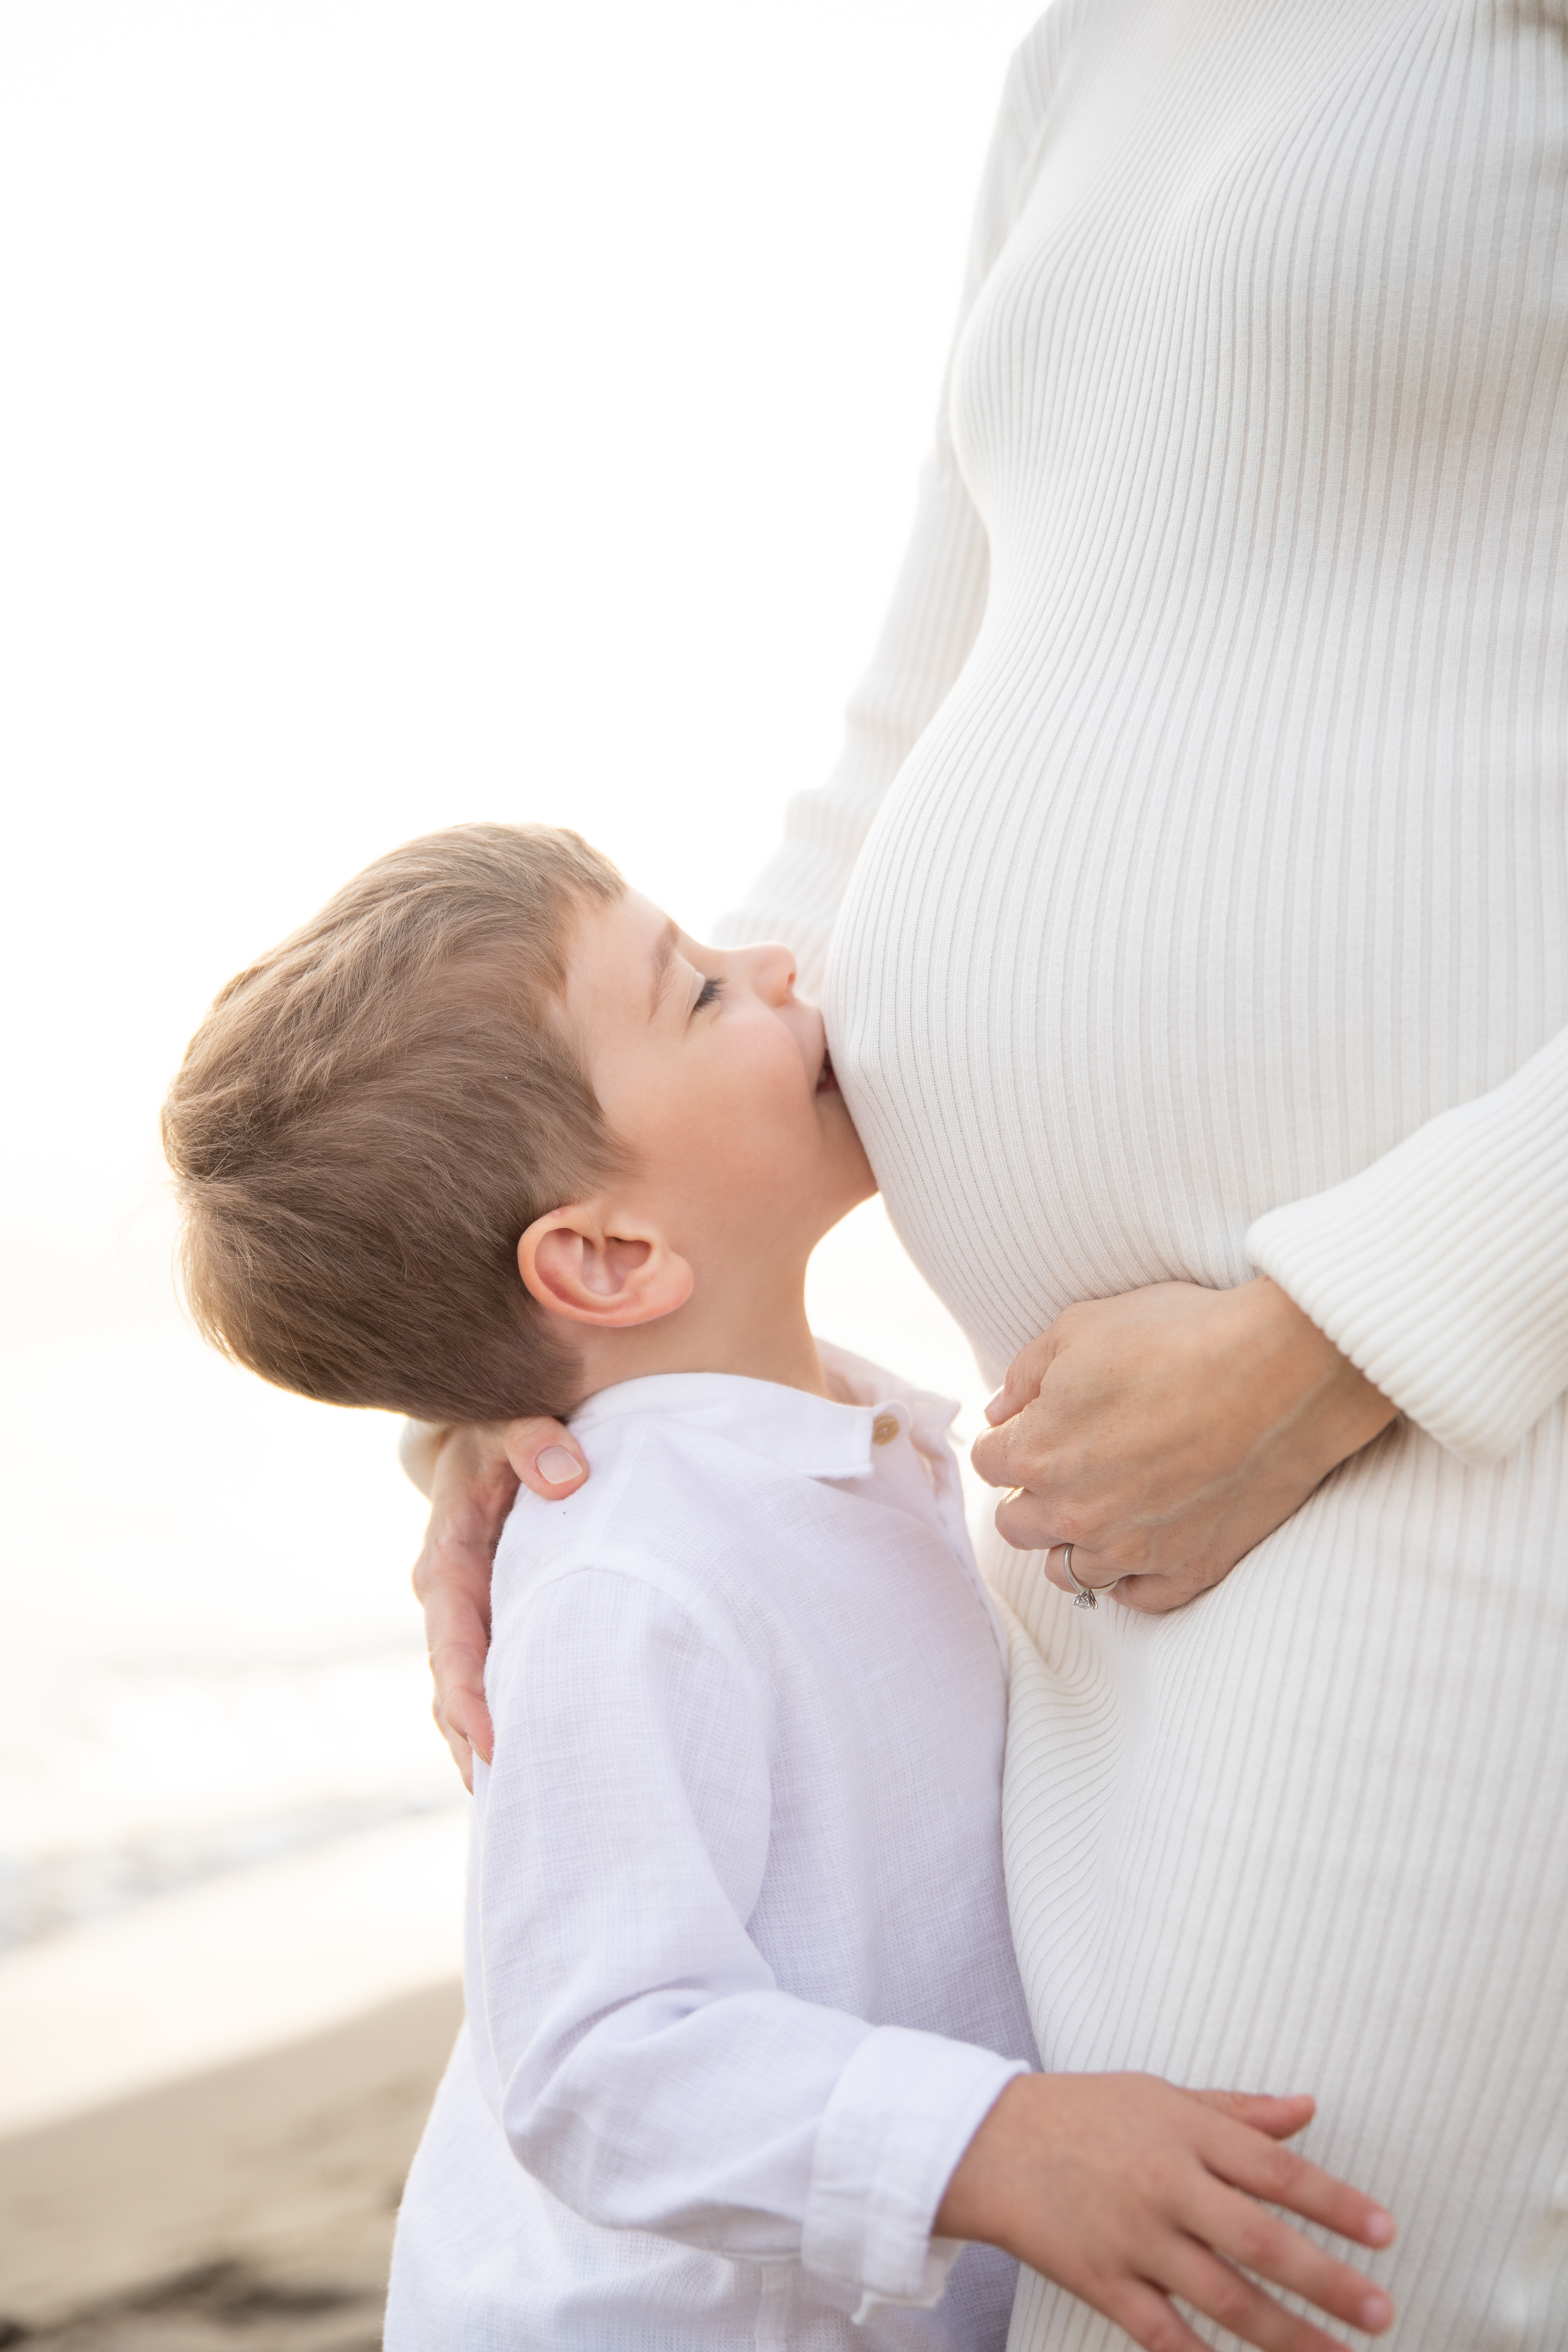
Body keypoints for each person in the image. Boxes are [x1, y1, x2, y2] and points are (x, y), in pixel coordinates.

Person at [413, 7, 1568, 2345]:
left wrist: (1368, 1323)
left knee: (1310, 2265)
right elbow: (910, 721)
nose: (764, 983)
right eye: (700, 990)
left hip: (1470, 1431)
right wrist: (508, 1343)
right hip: (1106, 1545)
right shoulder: (1099, 43)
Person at [161, 822, 1398, 2352]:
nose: (774, 962)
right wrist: (992, 2145)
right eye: (696, 989)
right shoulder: (630, 1577)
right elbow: (597, 2058)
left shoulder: (825, 1447)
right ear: (609, 1259)